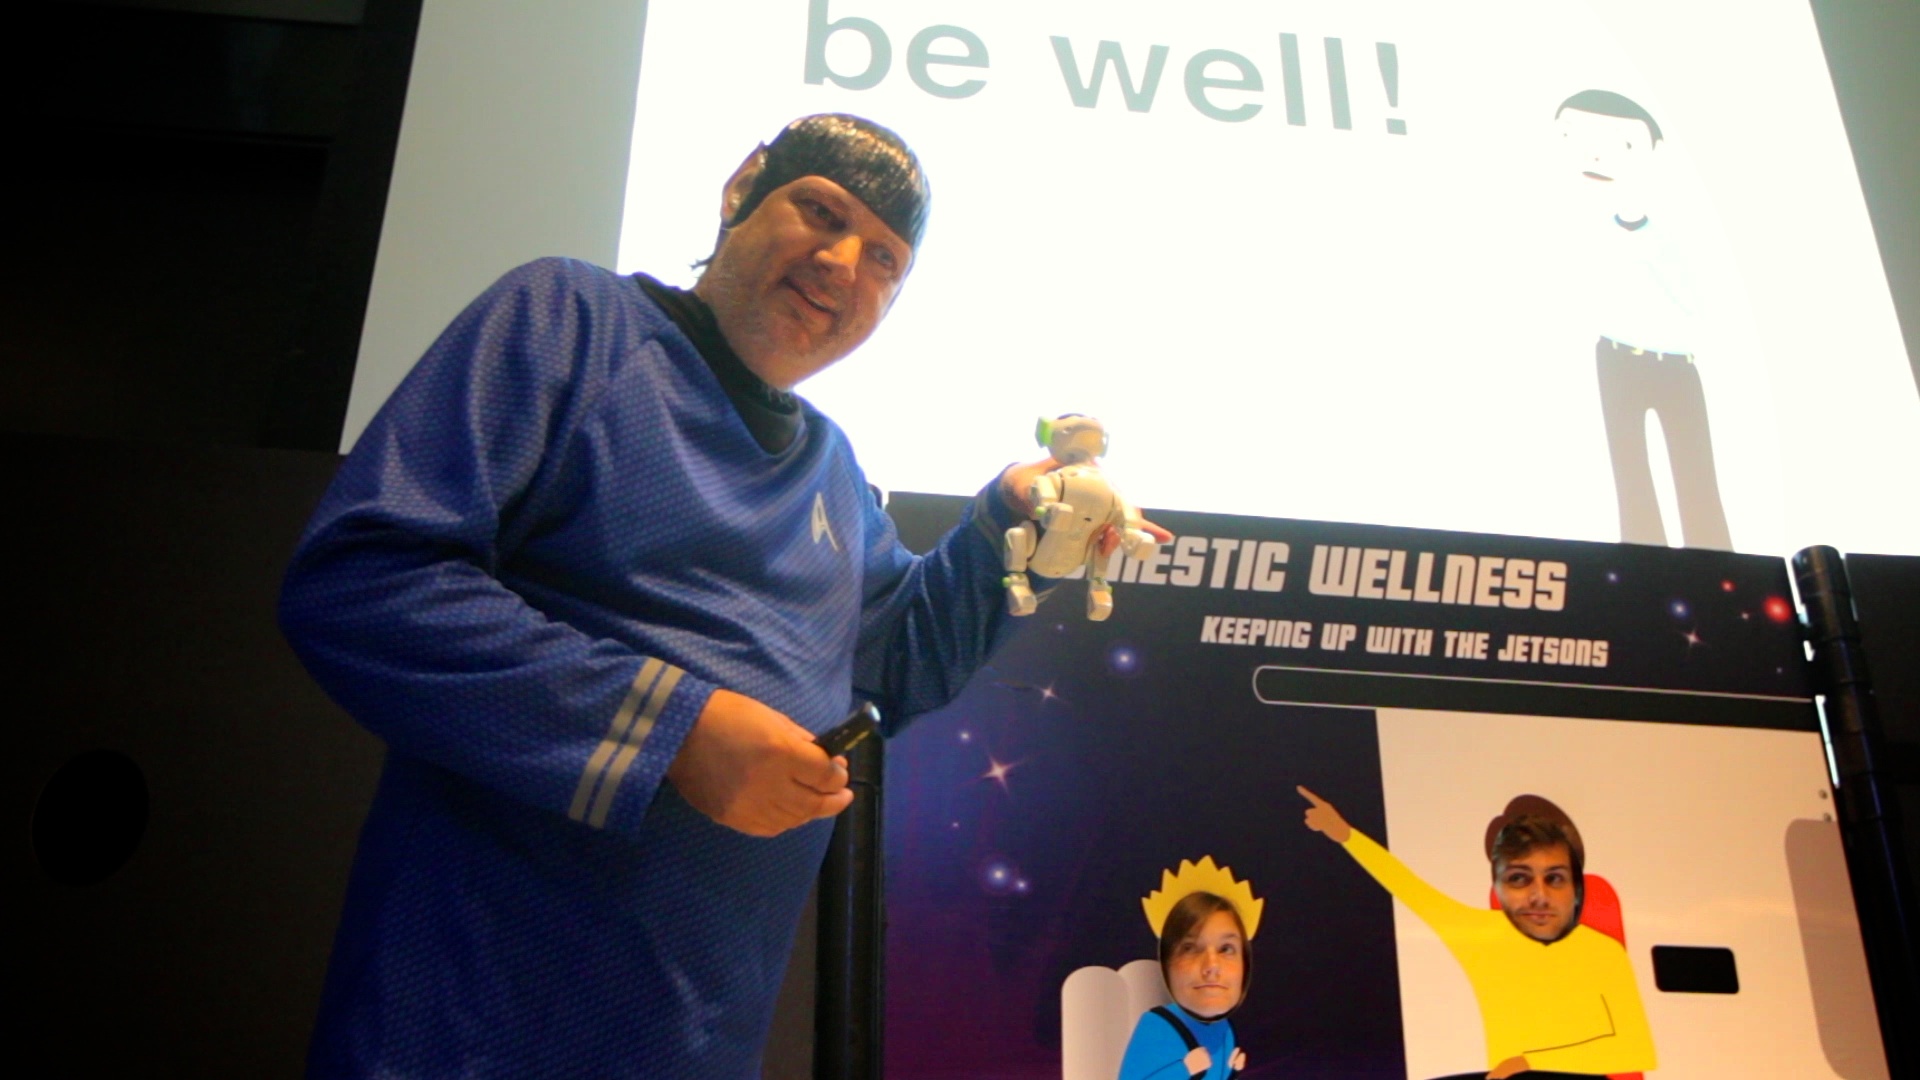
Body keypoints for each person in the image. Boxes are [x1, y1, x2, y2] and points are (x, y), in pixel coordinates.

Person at [280, 113, 1163, 1078]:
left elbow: (894, 664)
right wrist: (669, 728)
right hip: (471, 1021)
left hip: (693, 1038)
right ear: (743, 188)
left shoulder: (831, 469)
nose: (843, 264)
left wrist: (1008, 528)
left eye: (884, 259)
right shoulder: (572, 321)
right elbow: (366, 577)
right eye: (822, 213)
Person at [1298, 788, 1655, 1080]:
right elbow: (1408, 887)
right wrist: (1345, 835)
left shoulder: (1604, 953)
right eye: (1520, 878)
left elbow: (1635, 1048)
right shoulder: (1482, 937)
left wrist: (1527, 1062)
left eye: (1555, 878)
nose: (1539, 895)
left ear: (1576, 887)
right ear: (1498, 886)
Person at [1555, 89, 1731, 550]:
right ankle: (1641, 560)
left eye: (1623, 144)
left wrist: (1636, 230)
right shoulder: (1580, 225)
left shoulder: (1678, 232)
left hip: (1674, 364)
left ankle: (1716, 562)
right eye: (1572, 137)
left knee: (1694, 473)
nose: (1594, 155)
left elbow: (1699, 305)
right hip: (1614, 357)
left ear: (1655, 152)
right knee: (1628, 468)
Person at [1118, 857, 1259, 1080]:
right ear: (1166, 964)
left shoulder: (1225, 1030)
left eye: (1226, 949)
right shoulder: (1157, 1026)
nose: (1212, 966)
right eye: (1190, 948)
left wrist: (1231, 1071)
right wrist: (1184, 1069)